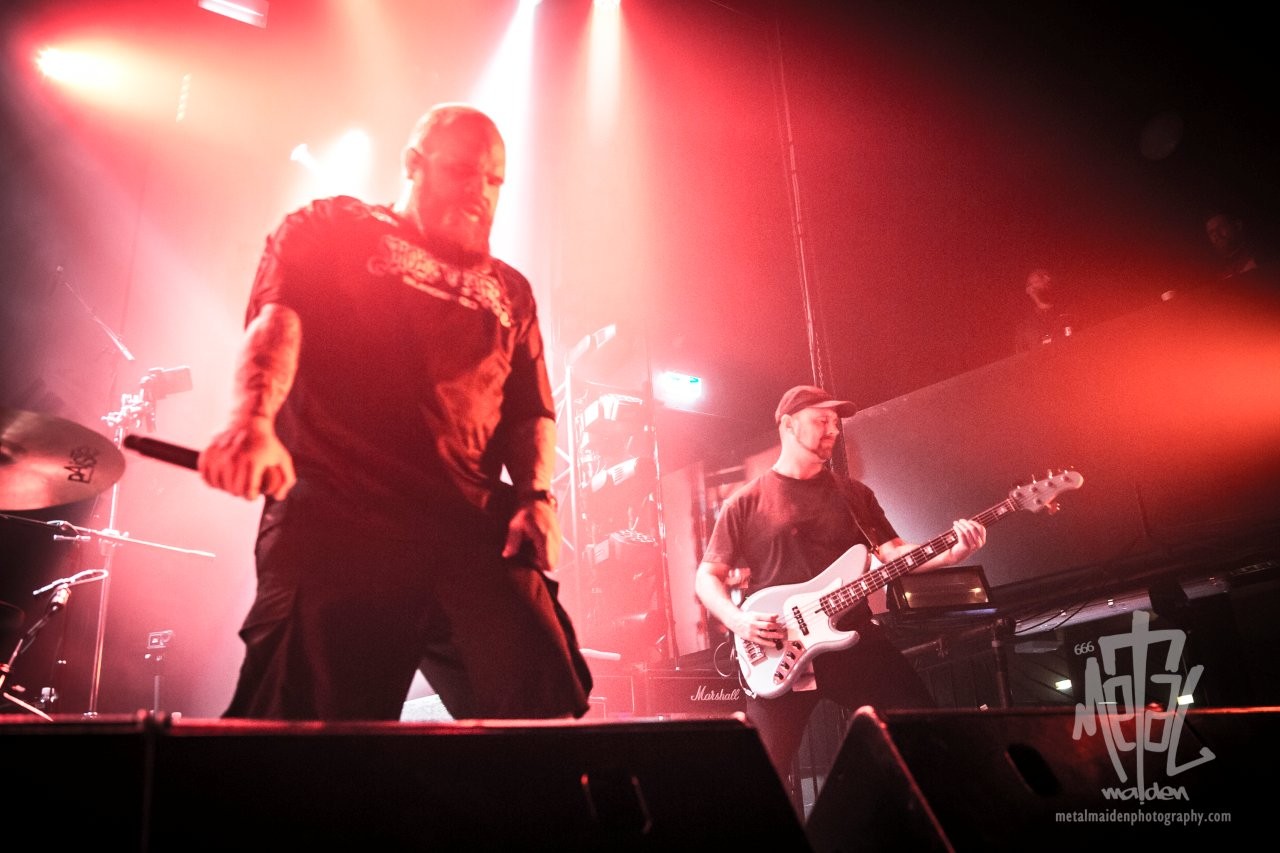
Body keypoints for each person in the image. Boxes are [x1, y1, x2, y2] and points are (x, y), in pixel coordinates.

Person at [198, 103, 592, 722]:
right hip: (341, 515)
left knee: (546, 719)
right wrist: (251, 419)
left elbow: (530, 410)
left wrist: (537, 497)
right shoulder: (331, 226)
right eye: (462, 171)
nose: (479, 191)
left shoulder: (511, 289)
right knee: (304, 741)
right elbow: (278, 319)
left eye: (494, 181)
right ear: (414, 163)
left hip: (471, 530)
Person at [694, 385, 986, 793]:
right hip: (779, 647)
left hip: (855, 640)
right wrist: (738, 621)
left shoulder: (853, 494)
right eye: (821, 421)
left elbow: (893, 553)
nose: (832, 430)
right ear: (788, 425)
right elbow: (707, 577)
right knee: (759, 777)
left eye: (835, 422)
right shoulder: (745, 502)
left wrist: (950, 554)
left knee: (923, 733)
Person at [1014, 267, 1074, 353]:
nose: (1046, 281)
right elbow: (1021, 357)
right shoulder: (1024, 327)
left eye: (1047, 280)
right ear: (1028, 290)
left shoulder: (1069, 313)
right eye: (1036, 282)